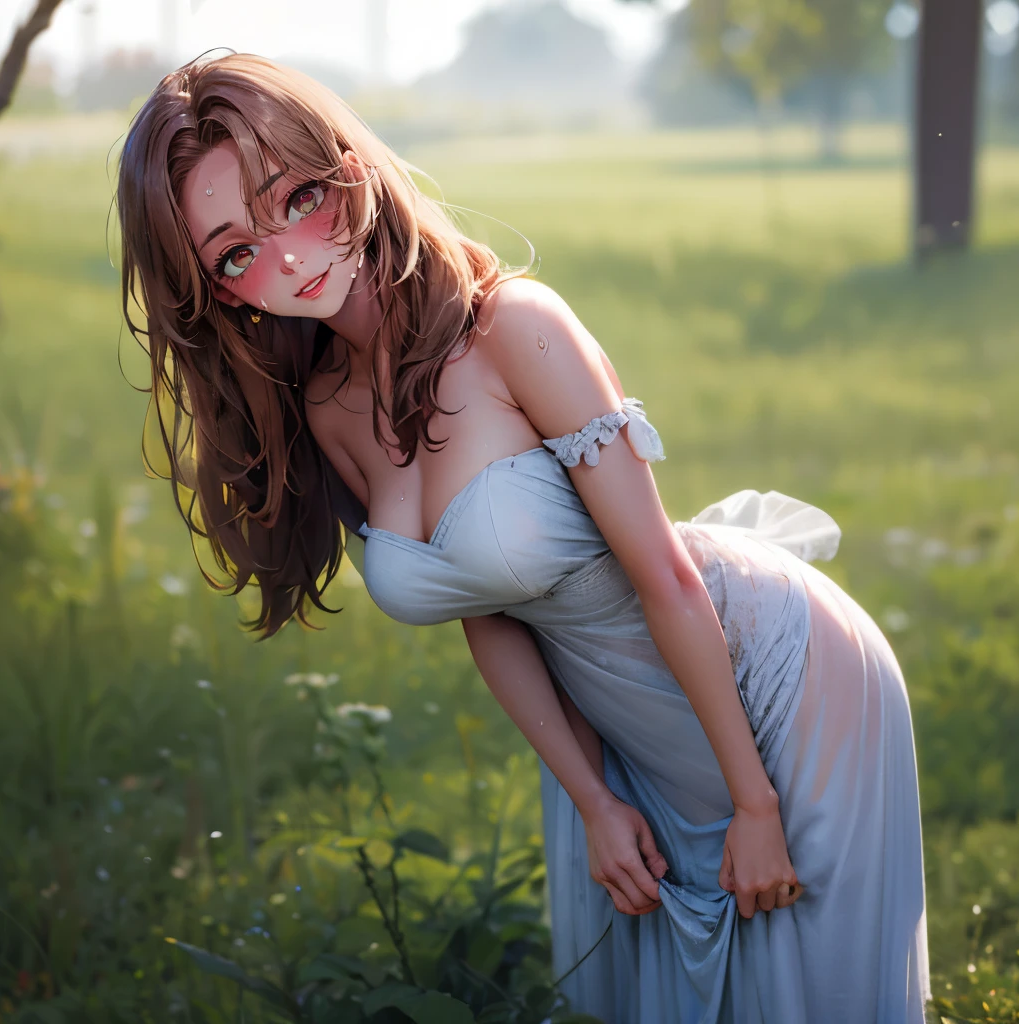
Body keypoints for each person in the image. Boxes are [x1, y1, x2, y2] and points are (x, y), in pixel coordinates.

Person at [115, 53, 929, 1023]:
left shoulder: (512, 330)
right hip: (616, 726)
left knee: (811, 987)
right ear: (214, 292)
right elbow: (484, 606)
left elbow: (664, 572)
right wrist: (591, 797)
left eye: (297, 197)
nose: (287, 256)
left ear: (348, 164)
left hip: (765, 671)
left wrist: (755, 805)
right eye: (236, 252)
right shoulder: (329, 408)